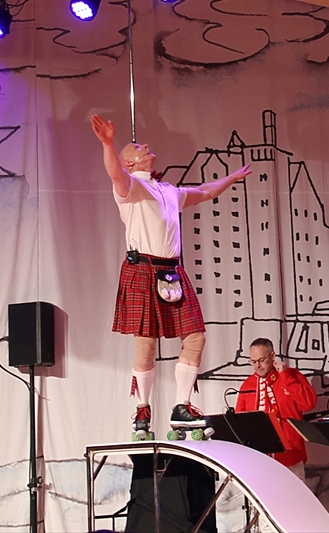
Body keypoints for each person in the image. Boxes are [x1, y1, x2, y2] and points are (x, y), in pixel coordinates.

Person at [90, 114, 252, 436]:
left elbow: (204, 191)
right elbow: (114, 172)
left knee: (195, 337)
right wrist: (108, 143)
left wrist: (232, 178)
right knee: (146, 345)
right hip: (143, 269)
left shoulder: (169, 191)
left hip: (172, 271)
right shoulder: (130, 187)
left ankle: (181, 407)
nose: (146, 145)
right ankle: (142, 409)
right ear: (130, 162)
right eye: (138, 147)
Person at [235, 338, 318, 479]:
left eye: (261, 360)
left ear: (272, 356)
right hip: (259, 460)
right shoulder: (247, 385)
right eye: (253, 362)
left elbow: (308, 404)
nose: (257, 366)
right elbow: (240, 422)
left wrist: (285, 376)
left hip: (291, 456)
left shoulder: (292, 375)